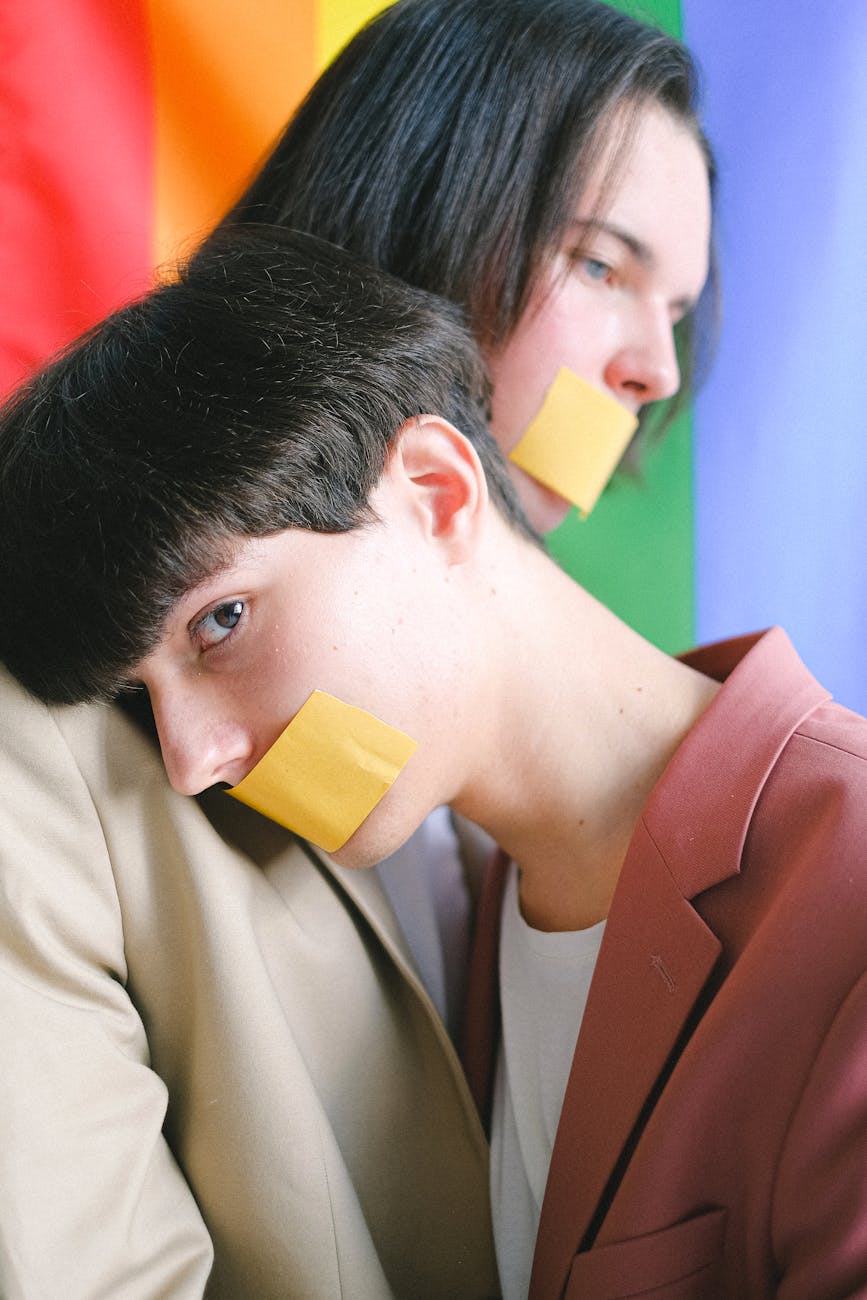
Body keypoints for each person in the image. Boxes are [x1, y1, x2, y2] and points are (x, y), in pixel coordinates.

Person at [3, 227, 866, 1300]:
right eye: (142, 696)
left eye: (221, 620)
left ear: (436, 489)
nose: (191, 764)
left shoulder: (842, 882)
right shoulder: (477, 917)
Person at [0, 0, 714, 1293]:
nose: (653, 370)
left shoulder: (571, 741)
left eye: (678, 305)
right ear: (421, 206)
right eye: (602, 267)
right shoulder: (60, 727)